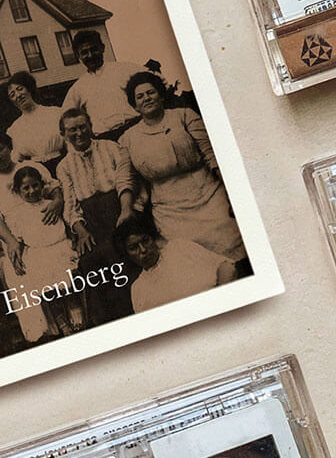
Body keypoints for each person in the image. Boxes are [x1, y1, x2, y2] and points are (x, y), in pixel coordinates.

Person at [118, 71, 246, 264]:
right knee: (187, 258)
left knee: (231, 242)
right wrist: (126, 209)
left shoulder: (184, 116)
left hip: (208, 194)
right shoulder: (128, 138)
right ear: (135, 106)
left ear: (161, 95)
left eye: (151, 92)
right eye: (140, 96)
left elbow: (212, 155)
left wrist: (231, 190)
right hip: (168, 209)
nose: (146, 98)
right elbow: (125, 177)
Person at [56, 107, 138, 324]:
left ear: (91, 126)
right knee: (90, 260)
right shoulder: (64, 166)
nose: (79, 133)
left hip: (120, 210)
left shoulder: (112, 148)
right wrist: (81, 231)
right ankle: (109, 324)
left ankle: (137, 311)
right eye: (71, 130)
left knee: (118, 252)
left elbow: (125, 180)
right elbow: (70, 205)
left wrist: (126, 212)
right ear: (64, 135)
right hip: (91, 223)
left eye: (83, 127)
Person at [0, 165, 92, 341]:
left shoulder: (51, 205)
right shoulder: (18, 214)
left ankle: (74, 309)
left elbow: (66, 226)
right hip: (37, 252)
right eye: (26, 188)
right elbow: (18, 241)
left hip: (60, 246)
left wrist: (73, 240)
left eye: (35, 185)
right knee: (45, 284)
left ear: (42, 185)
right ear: (18, 190)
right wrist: (18, 259)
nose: (32, 191)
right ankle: (61, 321)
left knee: (68, 281)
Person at [113, 212, 236, 313]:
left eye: (145, 240)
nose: (143, 249)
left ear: (153, 238)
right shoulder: (138, 289)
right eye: (134, 247)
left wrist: (221, 304)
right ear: (127, 255)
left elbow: (226, 267)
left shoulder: (179, 248)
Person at [61, 30, 149, 142]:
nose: (90, 55)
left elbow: (156, 81)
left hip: (137, 128)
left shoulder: (125, 69)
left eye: (94, 49)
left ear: (102, 48)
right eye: (84, 52)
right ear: (78, 56)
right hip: (105, 139)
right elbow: (66, 118)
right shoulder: (77, 88)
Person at [0, 71, 66, 171]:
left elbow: (69, 142)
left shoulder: (55, 113)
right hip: (37, 172)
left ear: (29, 89)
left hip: (62, 163)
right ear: (12, 102)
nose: (18, 95)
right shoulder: (15, 128)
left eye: (20, 89)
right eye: (12, 95)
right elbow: (17, 158)